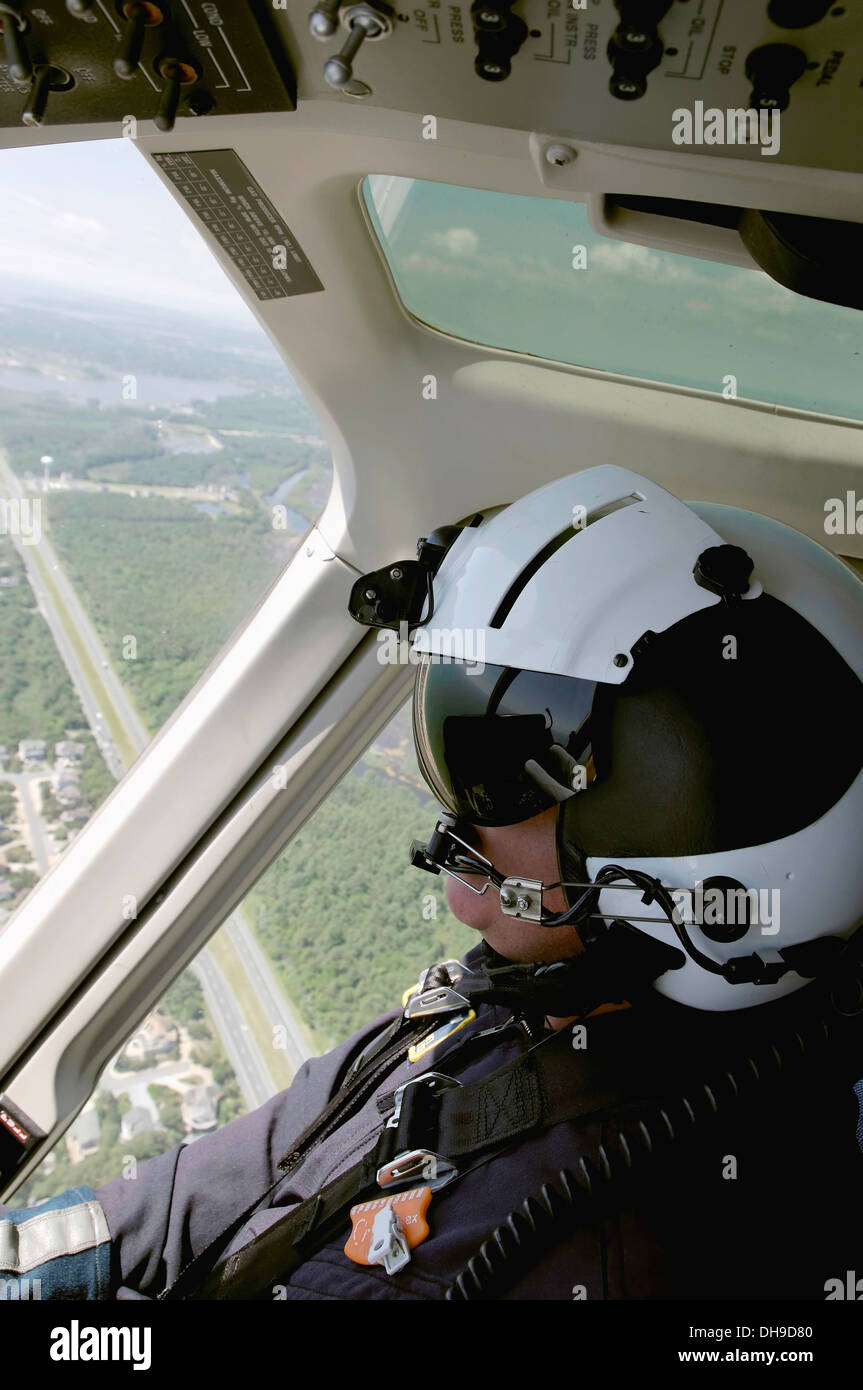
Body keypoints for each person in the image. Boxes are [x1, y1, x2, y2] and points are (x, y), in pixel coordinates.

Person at [2, 465, 862, 1301]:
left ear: (698, 813)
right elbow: (202, 1196)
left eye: (504, 779)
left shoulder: (598, 1249)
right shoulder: (516, 998)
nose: (458, 843)